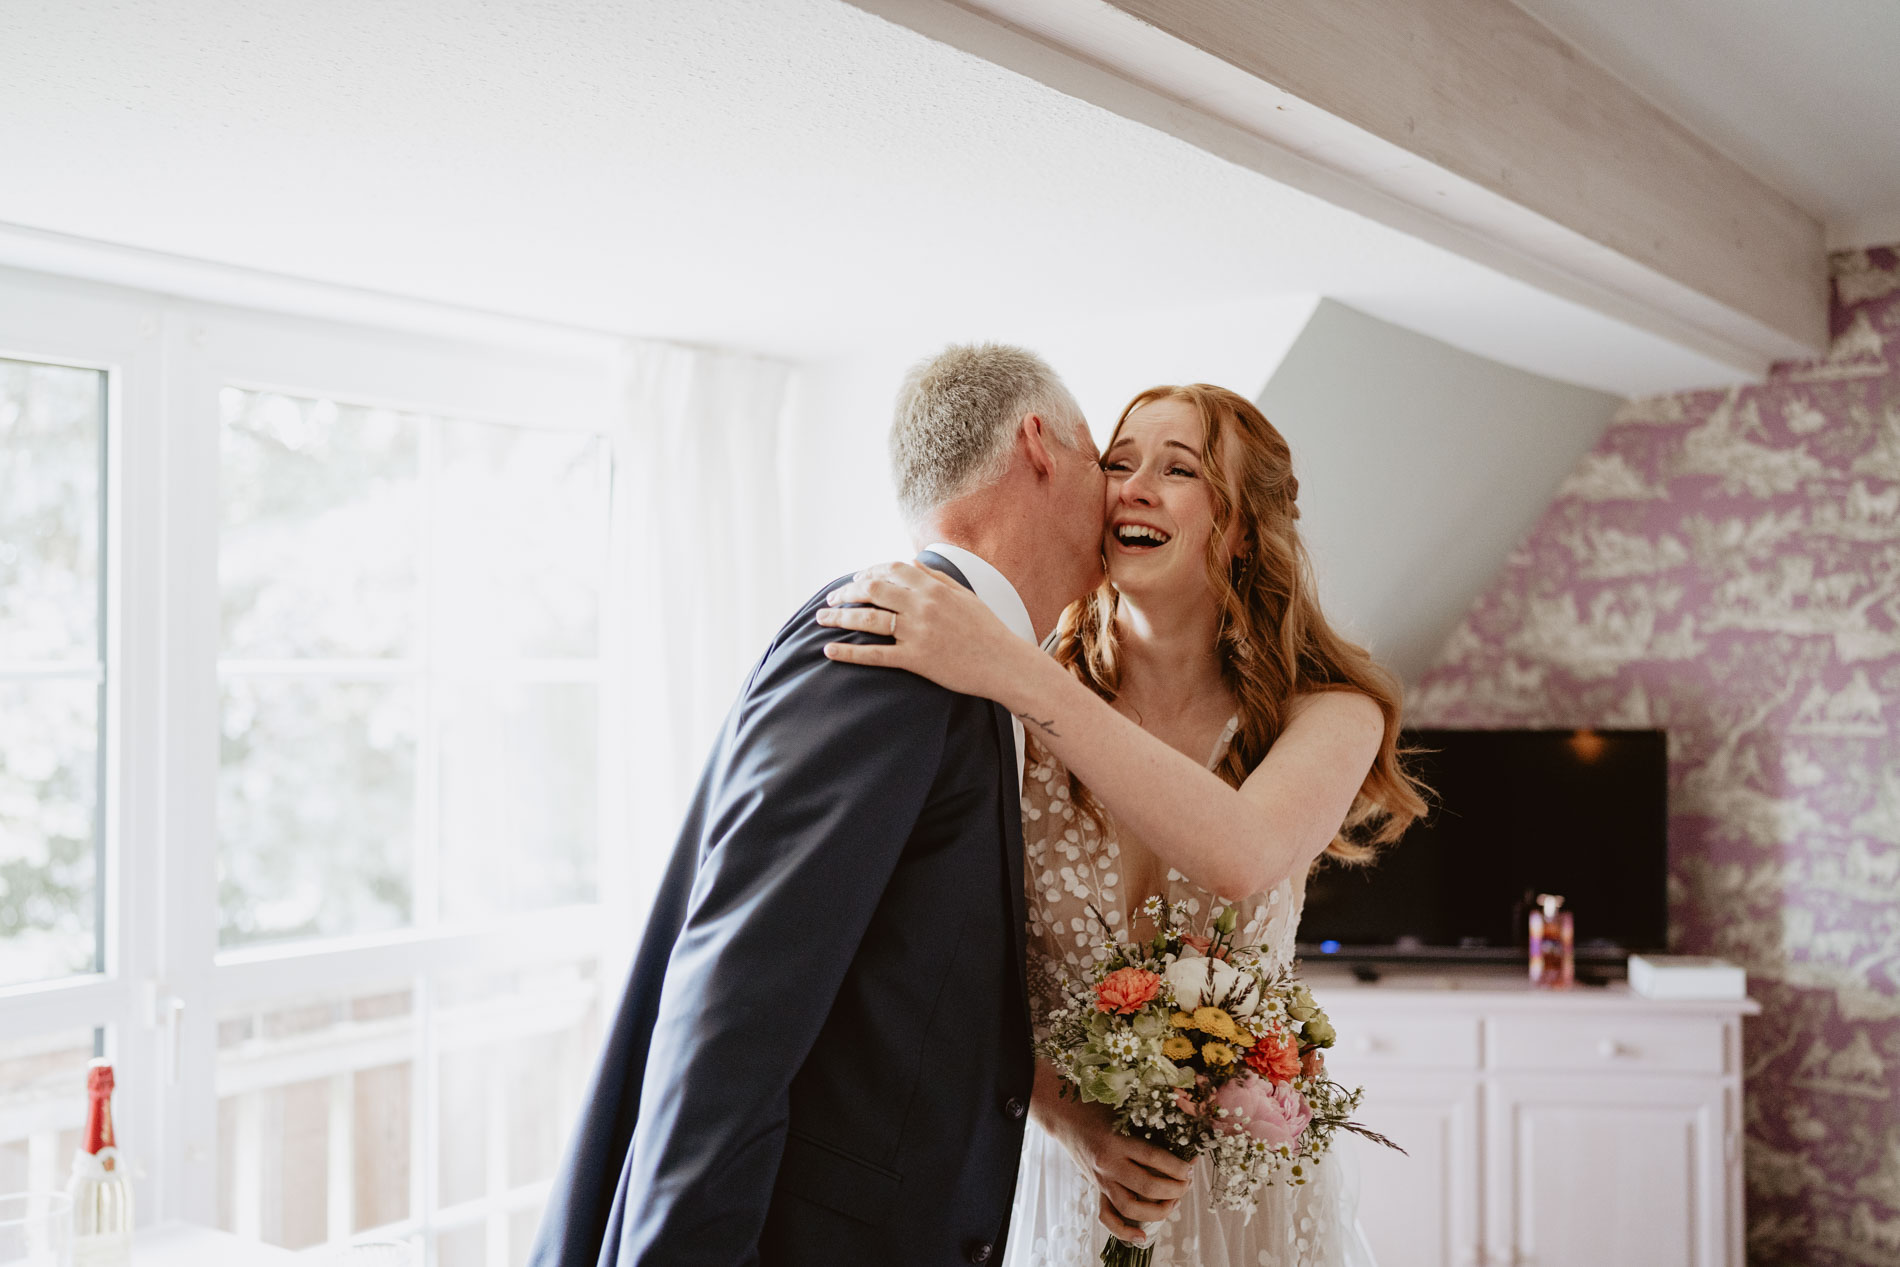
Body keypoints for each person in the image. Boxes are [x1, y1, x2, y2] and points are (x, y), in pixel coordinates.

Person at [818, 383, 1427, 1267]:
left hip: (1252, 1201)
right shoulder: (1008, 718)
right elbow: (934, 972)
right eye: (1118, 461)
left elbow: (1242, 854)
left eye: (1178, 468)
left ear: (1243, 529)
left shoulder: (1332, 713)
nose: (1131, 487)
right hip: (1062, 1183)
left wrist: (1014, 670)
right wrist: (1069, 1116)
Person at [527, 343, 1107, 1267]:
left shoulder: (976, 662)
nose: (1115, 496)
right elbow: (735, 995)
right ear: (1041, 443)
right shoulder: (889, 635)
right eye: (1101, 460)